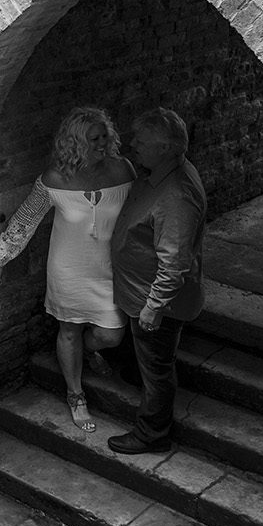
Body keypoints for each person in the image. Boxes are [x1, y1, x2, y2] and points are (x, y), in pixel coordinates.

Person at [0, 108, 135, 433]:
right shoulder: (54, 180)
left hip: (110, 269)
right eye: (93, 139)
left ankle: (89, 350)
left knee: (111, 333)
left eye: (104, 136)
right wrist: (2, 249)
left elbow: (140, 214)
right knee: (68, 330)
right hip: (69, 269)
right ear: (75, 143)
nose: (102, 143)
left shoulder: (123, 170)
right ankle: (76, 395)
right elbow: (26, 219)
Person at [106, 107, 207, 455]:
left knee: (158, 368)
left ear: (165, 148)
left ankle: (152, 433)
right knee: (149, 361)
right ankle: (140, 379)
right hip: (137, 290)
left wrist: (153, 307)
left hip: (154, 299)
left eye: (142, 141)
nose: (133, 145)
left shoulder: (176, 194)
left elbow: (175, 261)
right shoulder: (161, 172)